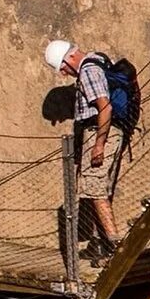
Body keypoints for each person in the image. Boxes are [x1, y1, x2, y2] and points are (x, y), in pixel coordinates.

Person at [45, 39, 126, 258]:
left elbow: (104, 107)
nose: (63, 73)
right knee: (95, 187)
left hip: (100, 133)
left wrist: (98, 144)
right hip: (103, 133)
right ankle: (101, 243)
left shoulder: (88, 70)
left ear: (70, 58)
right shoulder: (97, 63)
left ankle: (115, 247)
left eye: (62, 66)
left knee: (95, 187)